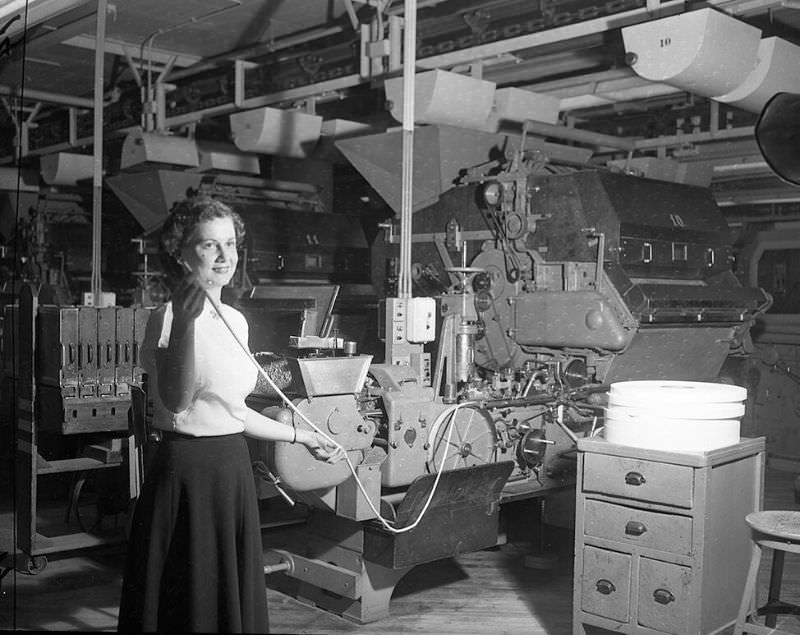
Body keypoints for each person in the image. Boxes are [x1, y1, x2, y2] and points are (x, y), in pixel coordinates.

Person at [118, 196, 343, 633]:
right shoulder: (166, 318)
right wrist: (186, 322)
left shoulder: (237, 321)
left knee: (226, 596)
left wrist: (302, 436)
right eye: (208, 246)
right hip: (187, 473)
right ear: (181, 253)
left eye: (231, 244)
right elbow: (178, 401)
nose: (224, 257)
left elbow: (235, 412)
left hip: (231, 468)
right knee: (187, 601)